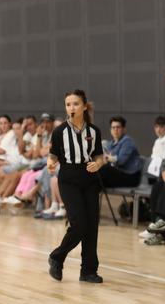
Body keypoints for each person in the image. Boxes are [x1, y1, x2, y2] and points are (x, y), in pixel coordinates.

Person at [47, 89, 106, 284]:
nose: (71, 108)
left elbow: (99, 156)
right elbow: (53, 155)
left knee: (91, 227)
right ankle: (57, 256)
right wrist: (50, 163)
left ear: (84, 106)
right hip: (69, 181)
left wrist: (98, 164)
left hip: (90, 182)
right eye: (68, 104)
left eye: (75, 104)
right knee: (79, 224)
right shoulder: (59, 131)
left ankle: (88, 271)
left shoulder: (94, 131)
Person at [100, 116, 143, 188]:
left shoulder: (127, 141)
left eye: (118, 127)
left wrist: (106, 157)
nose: (115, 130)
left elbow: (120, 161)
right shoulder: (110, 144)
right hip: (118, 175)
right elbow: (107, 161)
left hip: (130, 177)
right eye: (113, 127)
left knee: (104, 169)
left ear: (123, 129)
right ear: (110, 129)